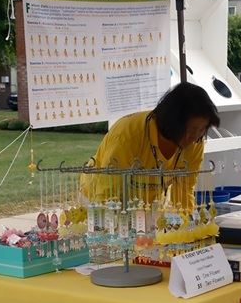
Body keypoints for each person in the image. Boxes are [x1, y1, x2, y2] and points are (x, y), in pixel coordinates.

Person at [82, 82, 220, 208]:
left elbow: (184, 190)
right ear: (173, 121)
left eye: (201, 129)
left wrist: (186, 226)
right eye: (190, 130)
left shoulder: (195, 142)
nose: (194, 137)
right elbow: (107, 195)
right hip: (97, 198)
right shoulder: (128, 135)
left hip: (145, 204)